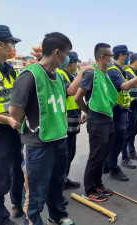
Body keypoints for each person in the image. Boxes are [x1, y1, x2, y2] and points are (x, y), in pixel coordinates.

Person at [9, 32, 75, 225]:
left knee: (56, 185)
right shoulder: (29, 76)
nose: (68, 58)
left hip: (58, 140)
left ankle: (57, 217)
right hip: (38, 145)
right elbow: (14, 110)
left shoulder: (56, 76)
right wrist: (30, 125)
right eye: (67, 54)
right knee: (35, 192)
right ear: (57, 52)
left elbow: (67, 95)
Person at [74, 43, 119, 202]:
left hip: (107, 119)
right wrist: (87, 111)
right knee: (96, 155)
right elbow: (77, 97)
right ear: (102, 57)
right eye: (110, 56)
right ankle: (89, 189)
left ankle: (98, 184)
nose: (112, 59)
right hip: (97, 121)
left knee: (103, 154)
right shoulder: (91, 74)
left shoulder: (103, 74)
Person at [0, 25, 24, 225]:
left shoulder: (9, 69)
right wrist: (7, 119)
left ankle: (17, 204)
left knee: (17, 171)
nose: (13, 47)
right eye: (10, 43)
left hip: (14, 129)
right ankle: (0, 219)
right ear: (0, 44)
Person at [104, 45, 137, 181]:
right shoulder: (114, 71)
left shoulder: (120, 71)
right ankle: (113, 166)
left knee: (117, 140)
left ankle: (108, 165)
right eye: (126, 56)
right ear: (121, 56)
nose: (128, 59)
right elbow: (125, 86)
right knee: (117, 140)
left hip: (122, 110)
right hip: (116, 110)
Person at [56, 51, 88, 190]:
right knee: (62, 156)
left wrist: (82, 111)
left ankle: (64, 179)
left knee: (71, 152)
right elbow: (70, 91)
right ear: (73, 63)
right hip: (64, 122)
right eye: (77, 64)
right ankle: (58, 185)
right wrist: (83, 73)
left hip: (73, 119)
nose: (77, 67)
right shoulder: (60, 74)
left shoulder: (72, 76)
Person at [124, 53, 137, 161]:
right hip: (130, 105)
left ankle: (131, 151)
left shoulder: (136, 73)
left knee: (133, 130)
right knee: (128, 131)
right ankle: (125, 156)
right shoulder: (128, 72)